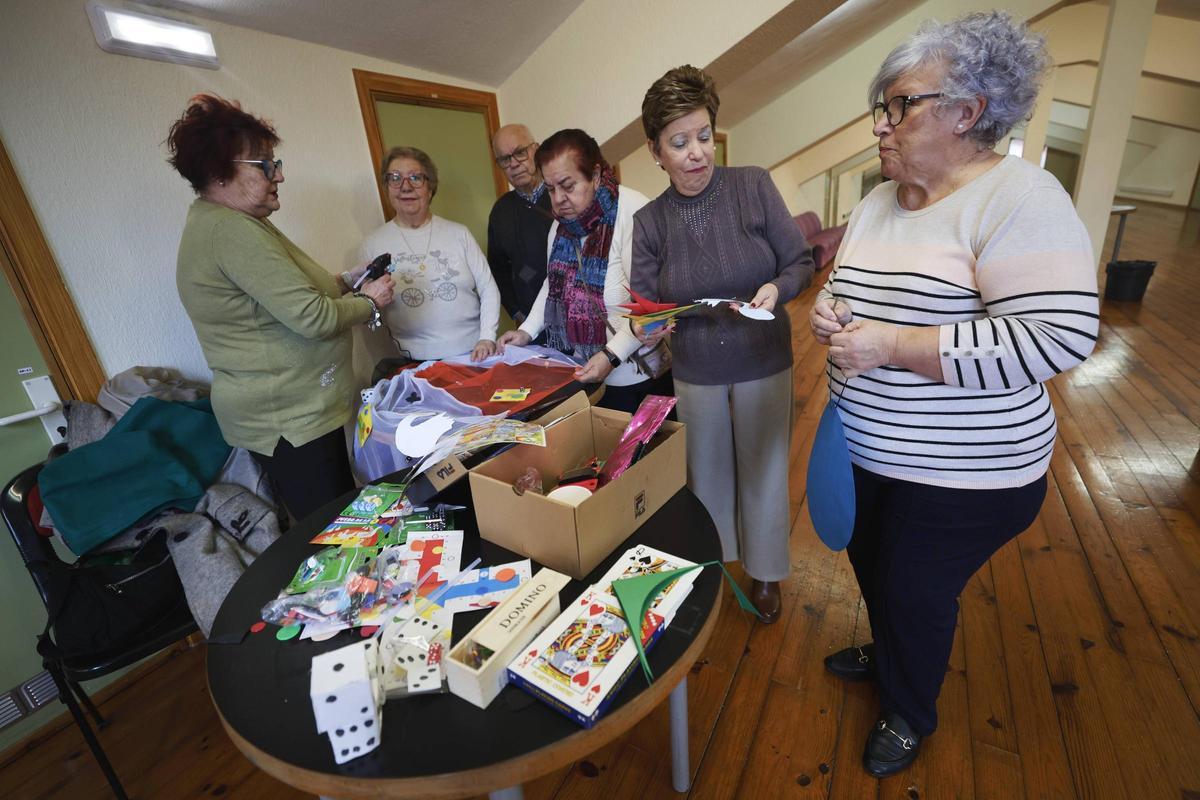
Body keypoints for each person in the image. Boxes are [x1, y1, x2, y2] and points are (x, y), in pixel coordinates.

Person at [809, 12, 1099, 777]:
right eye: (883, 105)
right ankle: (894, 650)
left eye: (899, 103)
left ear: (967, 111)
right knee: (875, 569)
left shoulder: (1020, 198)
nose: (881, 123)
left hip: (964, 475)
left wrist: (891, 345)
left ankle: (910, 708)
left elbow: (1059, 337)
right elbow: (847, 287)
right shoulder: (880, 199)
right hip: (867, 452)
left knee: (913, 588)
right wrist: (829, 310)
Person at [631, 66, 814, 625]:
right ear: (655, 151)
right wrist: (649, 327)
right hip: (695, 368)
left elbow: (801, 261)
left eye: (704, 136)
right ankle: (715, 568)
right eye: (679, 142)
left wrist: (776, 289)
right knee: (706, 475)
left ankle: (764, 572)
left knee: (762, 469)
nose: (696, 154)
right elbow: (643, 305)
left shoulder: (754, 185)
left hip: (763, 357)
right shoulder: (649, 221)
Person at [169, 94, 395, 520]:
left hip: (296, 414)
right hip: (288, 422)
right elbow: (312, 317)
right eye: (265, 164)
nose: (280, 175)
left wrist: (345, 281)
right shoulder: (230, 233)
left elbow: (288, 292)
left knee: (337, 516)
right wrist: (369, 301)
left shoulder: (236, 224)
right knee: (332, 530)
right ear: (219, 173)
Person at [497, 129, 672, 412]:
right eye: (551, 189)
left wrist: (611, 356)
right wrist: (527, 331)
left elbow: (652, 307)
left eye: (568, 185)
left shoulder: (635, 212)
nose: (558, 199)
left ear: (597, 175)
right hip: (588, 375)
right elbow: (552, 285)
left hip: (640, 377)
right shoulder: (561, 226)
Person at [359, 146, 500, 362]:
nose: (405, 187)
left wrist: (487, 337)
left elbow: (488, 287)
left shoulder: (459, 233)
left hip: (475, 354)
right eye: (395, 178)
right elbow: (366, 304)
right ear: (386, 187)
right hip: (415, 362)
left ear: (430, 188)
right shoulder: (373, 244)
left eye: (415, 178)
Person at [487, 124, 554, 326]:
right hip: (530, 326)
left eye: (520, 153)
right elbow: (498, 269)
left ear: (536, 150)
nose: (514, 163)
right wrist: (516, 312)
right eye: (505, 159)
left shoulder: (561, 195)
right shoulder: (501, 211)